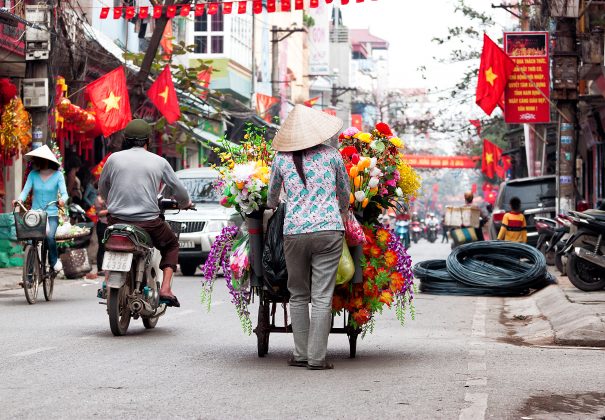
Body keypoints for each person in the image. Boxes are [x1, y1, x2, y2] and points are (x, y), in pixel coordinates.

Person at [267, 104, 348, 370]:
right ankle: (317, 358)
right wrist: (343, 214)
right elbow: (343, 192)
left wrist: (276, 203)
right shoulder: (332, 155)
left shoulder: (280, 159)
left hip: (294, 232)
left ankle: (301, 354)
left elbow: (271, 198)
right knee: (322, 296)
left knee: (298, 294)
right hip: (329, 230)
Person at [98, 119, 191, 307]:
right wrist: (185, 203)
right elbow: (179, 191)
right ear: (148, 140)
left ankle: (107, 280)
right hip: (148, 223)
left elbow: (103, 187)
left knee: (109, 243)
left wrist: (113, 202)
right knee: (171, 244)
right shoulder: (159, 161)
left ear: (126, 139)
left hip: (116, 220)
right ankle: (165, 288)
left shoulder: (113, 159)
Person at [16, 145, 68, 272]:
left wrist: (62, 200)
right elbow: (25, 191)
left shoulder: (58, 175)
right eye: (36, 159)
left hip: (51, 215)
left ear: (48, 160)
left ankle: (53, 261)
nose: (37, 161)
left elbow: (65, 194)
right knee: (30, 241)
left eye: (40, 159)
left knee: (50, 237)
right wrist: (19, 200)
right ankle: (29, 275)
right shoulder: (33, 175)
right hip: (35, 215)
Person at [94, 194, 108, 276]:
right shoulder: (98, 198)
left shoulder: (112, 195)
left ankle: (107, 267)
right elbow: (98, 213)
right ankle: (100, 268)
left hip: (109, 224)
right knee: (102, 247)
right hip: (102, 224)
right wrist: (109, 210)